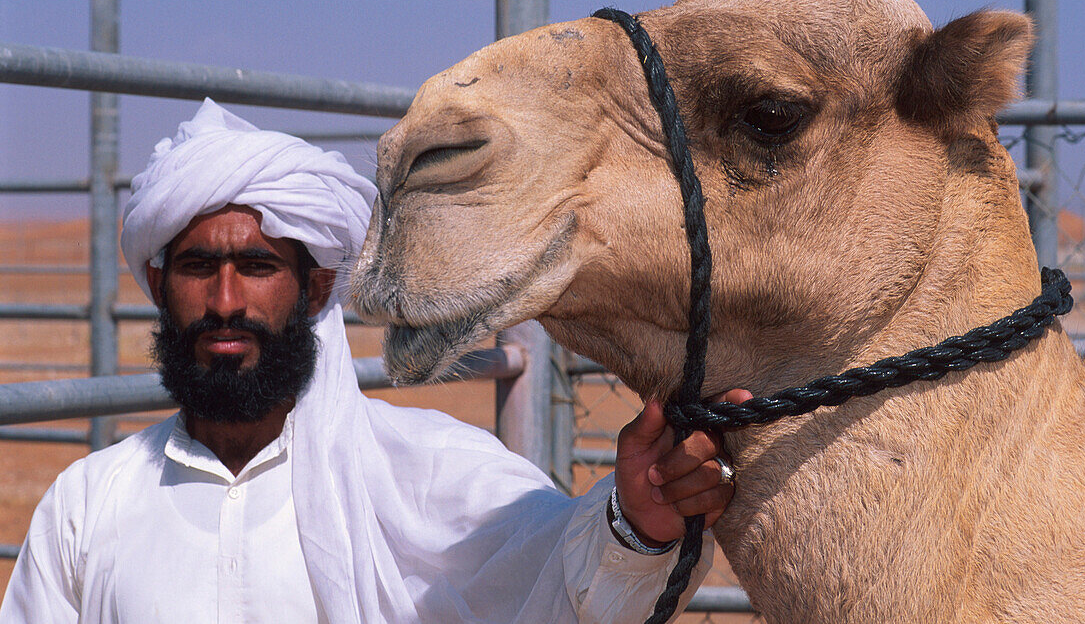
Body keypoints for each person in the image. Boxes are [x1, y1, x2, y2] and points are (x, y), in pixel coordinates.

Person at [0, 99, 750, 623]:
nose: (225, 300)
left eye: (258, 267)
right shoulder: (88, 505)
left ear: (317, 285)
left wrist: (640, 524)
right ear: (161, 285)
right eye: (198, 266)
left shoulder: (430, 470)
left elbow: (572, 589)